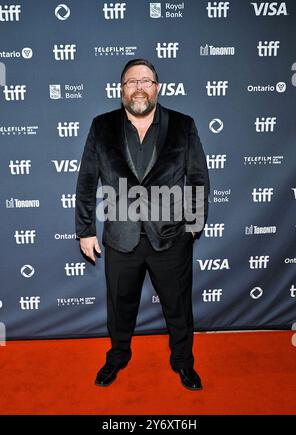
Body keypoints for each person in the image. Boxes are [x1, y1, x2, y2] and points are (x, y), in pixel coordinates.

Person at [75, 58, 210, 391]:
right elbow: (87, 180)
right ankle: (118, 357)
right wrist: (86, 230)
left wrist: (193, 224)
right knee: (120, 308)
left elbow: (197, 178)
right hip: (121, 238)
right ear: (121, 89)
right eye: (130, 81)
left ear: (157, 87)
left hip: (171, 237)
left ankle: (183, 362)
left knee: (178, 308)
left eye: (146, 81)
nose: (138, 87)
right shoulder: (101, 125)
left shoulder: (183, 124)